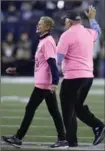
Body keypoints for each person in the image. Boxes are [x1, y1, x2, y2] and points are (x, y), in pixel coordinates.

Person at [2, 16, 68, 149]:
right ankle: (62, 139)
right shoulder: (43, 41)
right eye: (38, 23)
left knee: (30, 109)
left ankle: (18, 138)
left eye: (41, 24)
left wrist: (55, 81)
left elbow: (52, 63)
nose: (37, 25)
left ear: (48, 27)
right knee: (54, 111)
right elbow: (36, 62)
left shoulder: (48, 41)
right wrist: (17, 69)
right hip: (44, 83)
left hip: (44, 83)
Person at [57, 6, 105, 147]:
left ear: (70, 21)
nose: (65, 22)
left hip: (73, 77)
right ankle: (98, 126)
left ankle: (71, 141)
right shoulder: (88, 32)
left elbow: (58, 59)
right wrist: (92, 19)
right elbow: (98, 32)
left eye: (66, 20)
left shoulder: (66, 35)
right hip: (88, 77)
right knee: (77, 107)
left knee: (68, 109)